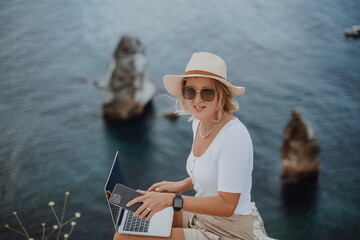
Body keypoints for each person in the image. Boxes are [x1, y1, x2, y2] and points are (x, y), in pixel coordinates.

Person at [114, 52, 254, 240]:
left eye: (207, 92)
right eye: (190, 91)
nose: (197, 100)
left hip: (228, 230)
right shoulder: (198, 123)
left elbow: (227, 205)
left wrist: (171, 200)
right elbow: (212, 172)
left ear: (222, 94)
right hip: (203, 217)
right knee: (137, 216)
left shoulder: (234, 136)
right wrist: (180, 186)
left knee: (124, 238)